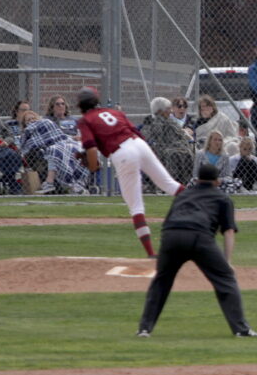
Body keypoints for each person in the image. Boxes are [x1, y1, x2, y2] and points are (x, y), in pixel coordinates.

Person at [136, 162, 257, 339]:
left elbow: (168, 222)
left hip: (171, 236)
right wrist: (228, 261)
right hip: (199, 237)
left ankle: (144, 329)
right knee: (225, 279)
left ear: (197, 179)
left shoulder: (183, 194)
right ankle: (241, 329)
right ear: (217, 181)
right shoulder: (222, 198)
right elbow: (229, 231)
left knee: (161, 281)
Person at [77, 88, 184, 256]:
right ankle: (205, 205)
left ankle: (151, 253)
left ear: (80, 105)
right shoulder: (113, 112)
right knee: (168, 184)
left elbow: (90, 149)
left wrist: (92, 166)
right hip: (139, 144)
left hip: (122, 153)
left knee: (136, 206)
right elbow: (136, 132)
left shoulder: (85, 120)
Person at [19, 109, 91, 195]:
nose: (32, 121)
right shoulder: (27, 130)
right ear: (25, 123)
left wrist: (72, 138)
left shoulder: (46, 122)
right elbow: (28, 143)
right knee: (54, 150)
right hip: (48, 147)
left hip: (62, 142)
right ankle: (58, 183)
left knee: (77, 149)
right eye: (28, 120)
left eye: (33, 118)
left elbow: (59, 134)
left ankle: (76, 184)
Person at [142, 96, 196, 185]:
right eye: (168, 109)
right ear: (160, 111)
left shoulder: (171, 121)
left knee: (185, 152)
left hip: (178, 145)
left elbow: (181, 134)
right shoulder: (151, 122)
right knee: (173, 154)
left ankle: (184, 182)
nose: (170, 111)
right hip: (160, 147)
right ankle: (171, 183)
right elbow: (151, 136)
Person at [0, 93, 24, 194]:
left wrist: (6, 142)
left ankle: (10, 184)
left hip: (0, 146)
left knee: (13, 155)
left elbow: (10, 135)